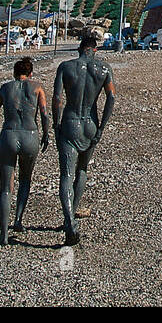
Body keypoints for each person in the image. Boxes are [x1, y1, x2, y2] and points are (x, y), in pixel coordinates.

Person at [51, 35, 116, 245]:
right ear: (94, 50)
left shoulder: (66, 67)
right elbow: (111, 98)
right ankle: (71, 212)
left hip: (71, 121)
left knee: (66, 174)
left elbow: (58, 98)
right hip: (91, 122)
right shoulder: (104, 68)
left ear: (80, 49)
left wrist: (55, 124)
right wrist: (102, 127)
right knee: (82, 170)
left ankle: (69, 220)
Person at [0, 57, 49, 244]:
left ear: (14, 73)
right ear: (31, 74)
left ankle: (3, 234)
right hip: (30, 135)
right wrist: (46, 134)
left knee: (6, 188)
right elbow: (44, 114)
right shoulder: (37, 87)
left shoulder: (6, 88)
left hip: (9, 134)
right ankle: (18, 220)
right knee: (25, 180)